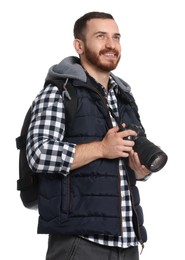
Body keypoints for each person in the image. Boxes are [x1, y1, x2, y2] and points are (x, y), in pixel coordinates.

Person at [26, 11, 152, 260]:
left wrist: (140, 170)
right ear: (79, 46)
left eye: (116, 37)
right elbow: (38, 154)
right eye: (101, 36)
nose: (111, 45)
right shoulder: (59, 93)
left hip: (127, 241)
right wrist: (101, 149)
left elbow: (124, 163)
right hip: (81, 242)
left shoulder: (123, 97)